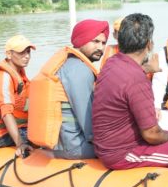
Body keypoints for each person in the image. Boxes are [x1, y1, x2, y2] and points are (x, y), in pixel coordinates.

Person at [93, 13, 168, 172]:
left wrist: (146, 69)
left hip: (111, 144)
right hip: (123, 153)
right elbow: (151, 134)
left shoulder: (112, 63)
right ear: (148, 44)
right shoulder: (136, 79)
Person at [28, 19, 109, 159]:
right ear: (81, 40)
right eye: (95, 41)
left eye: (103, 43)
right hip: (75, 147)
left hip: (62, 144)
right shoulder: (79, 69)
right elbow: (88, 122)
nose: (100, 47)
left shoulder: (67, 63)